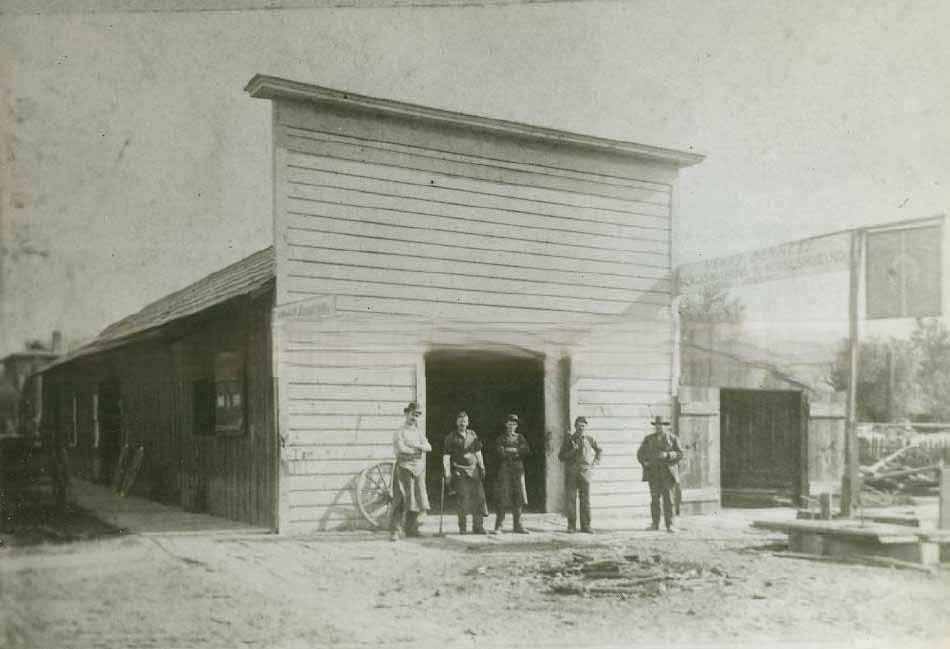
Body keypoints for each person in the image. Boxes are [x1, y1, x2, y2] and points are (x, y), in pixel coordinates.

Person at [390, 401, 431, 541]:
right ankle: (395, 531)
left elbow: (428, 446)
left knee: (416, 498)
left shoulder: (418, 432)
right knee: (401, 499)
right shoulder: (399, 431)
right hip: (404, 468)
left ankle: (412, 530)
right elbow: (401, 449)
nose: (415, 418)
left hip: (417, 469)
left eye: (418, 415)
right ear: (406, 413)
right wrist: (417, 450)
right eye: (413, 414)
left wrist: (418, 446)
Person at [442, 411, 488, 535]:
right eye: (460, 421)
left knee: (479, 497)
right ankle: (462, 528)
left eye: (465, 421)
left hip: (474, 470)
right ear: (456, 422)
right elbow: (446, 456)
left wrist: (482, 466)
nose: (463, 423)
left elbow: (478, 452)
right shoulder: (451, 437)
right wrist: (447, 473)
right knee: (463, 499)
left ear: (468, 422)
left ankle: (478, 526)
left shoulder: (472, 434)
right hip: (459, 471)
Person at [636, 416, 684, 533]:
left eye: (661, 424)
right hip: (654, 474)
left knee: (669, 500)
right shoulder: (648, 439)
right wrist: (645, 462)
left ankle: (670, 525)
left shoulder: (673, 439)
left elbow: (680, 454)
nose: (659, 427)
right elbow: (640, 454)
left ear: (666, 426)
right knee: (655, 500)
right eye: (657, 425)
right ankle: (655, 524)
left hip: (668, 474)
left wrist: (668, 455)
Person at [558, 416, 602, 534]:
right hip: (572, 472)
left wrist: (594, 464)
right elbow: (561, 457)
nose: (581, 428)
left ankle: (586, 526)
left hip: (585, 472)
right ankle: (571, 526)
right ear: (575, 426)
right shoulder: (569, 440)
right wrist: (573, 450)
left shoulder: (589, 439)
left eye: (583, 425)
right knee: (571, 500)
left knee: (585, 500)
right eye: (578, 425)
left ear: (585, 427)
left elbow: (599, 450)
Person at [493, 414, 530, 534]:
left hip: (518, 469)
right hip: (505, 469)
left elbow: (526, 450)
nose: (512, 426)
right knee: (503, 496)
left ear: (517, 425)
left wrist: (513, 451)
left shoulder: (520, 437)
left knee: (519, 497)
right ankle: (499, 526)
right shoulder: (501, 438)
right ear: (505, 424)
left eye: (514, 424)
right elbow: (500, 452)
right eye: (509, 423)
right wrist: (516, 451)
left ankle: (518, 525)